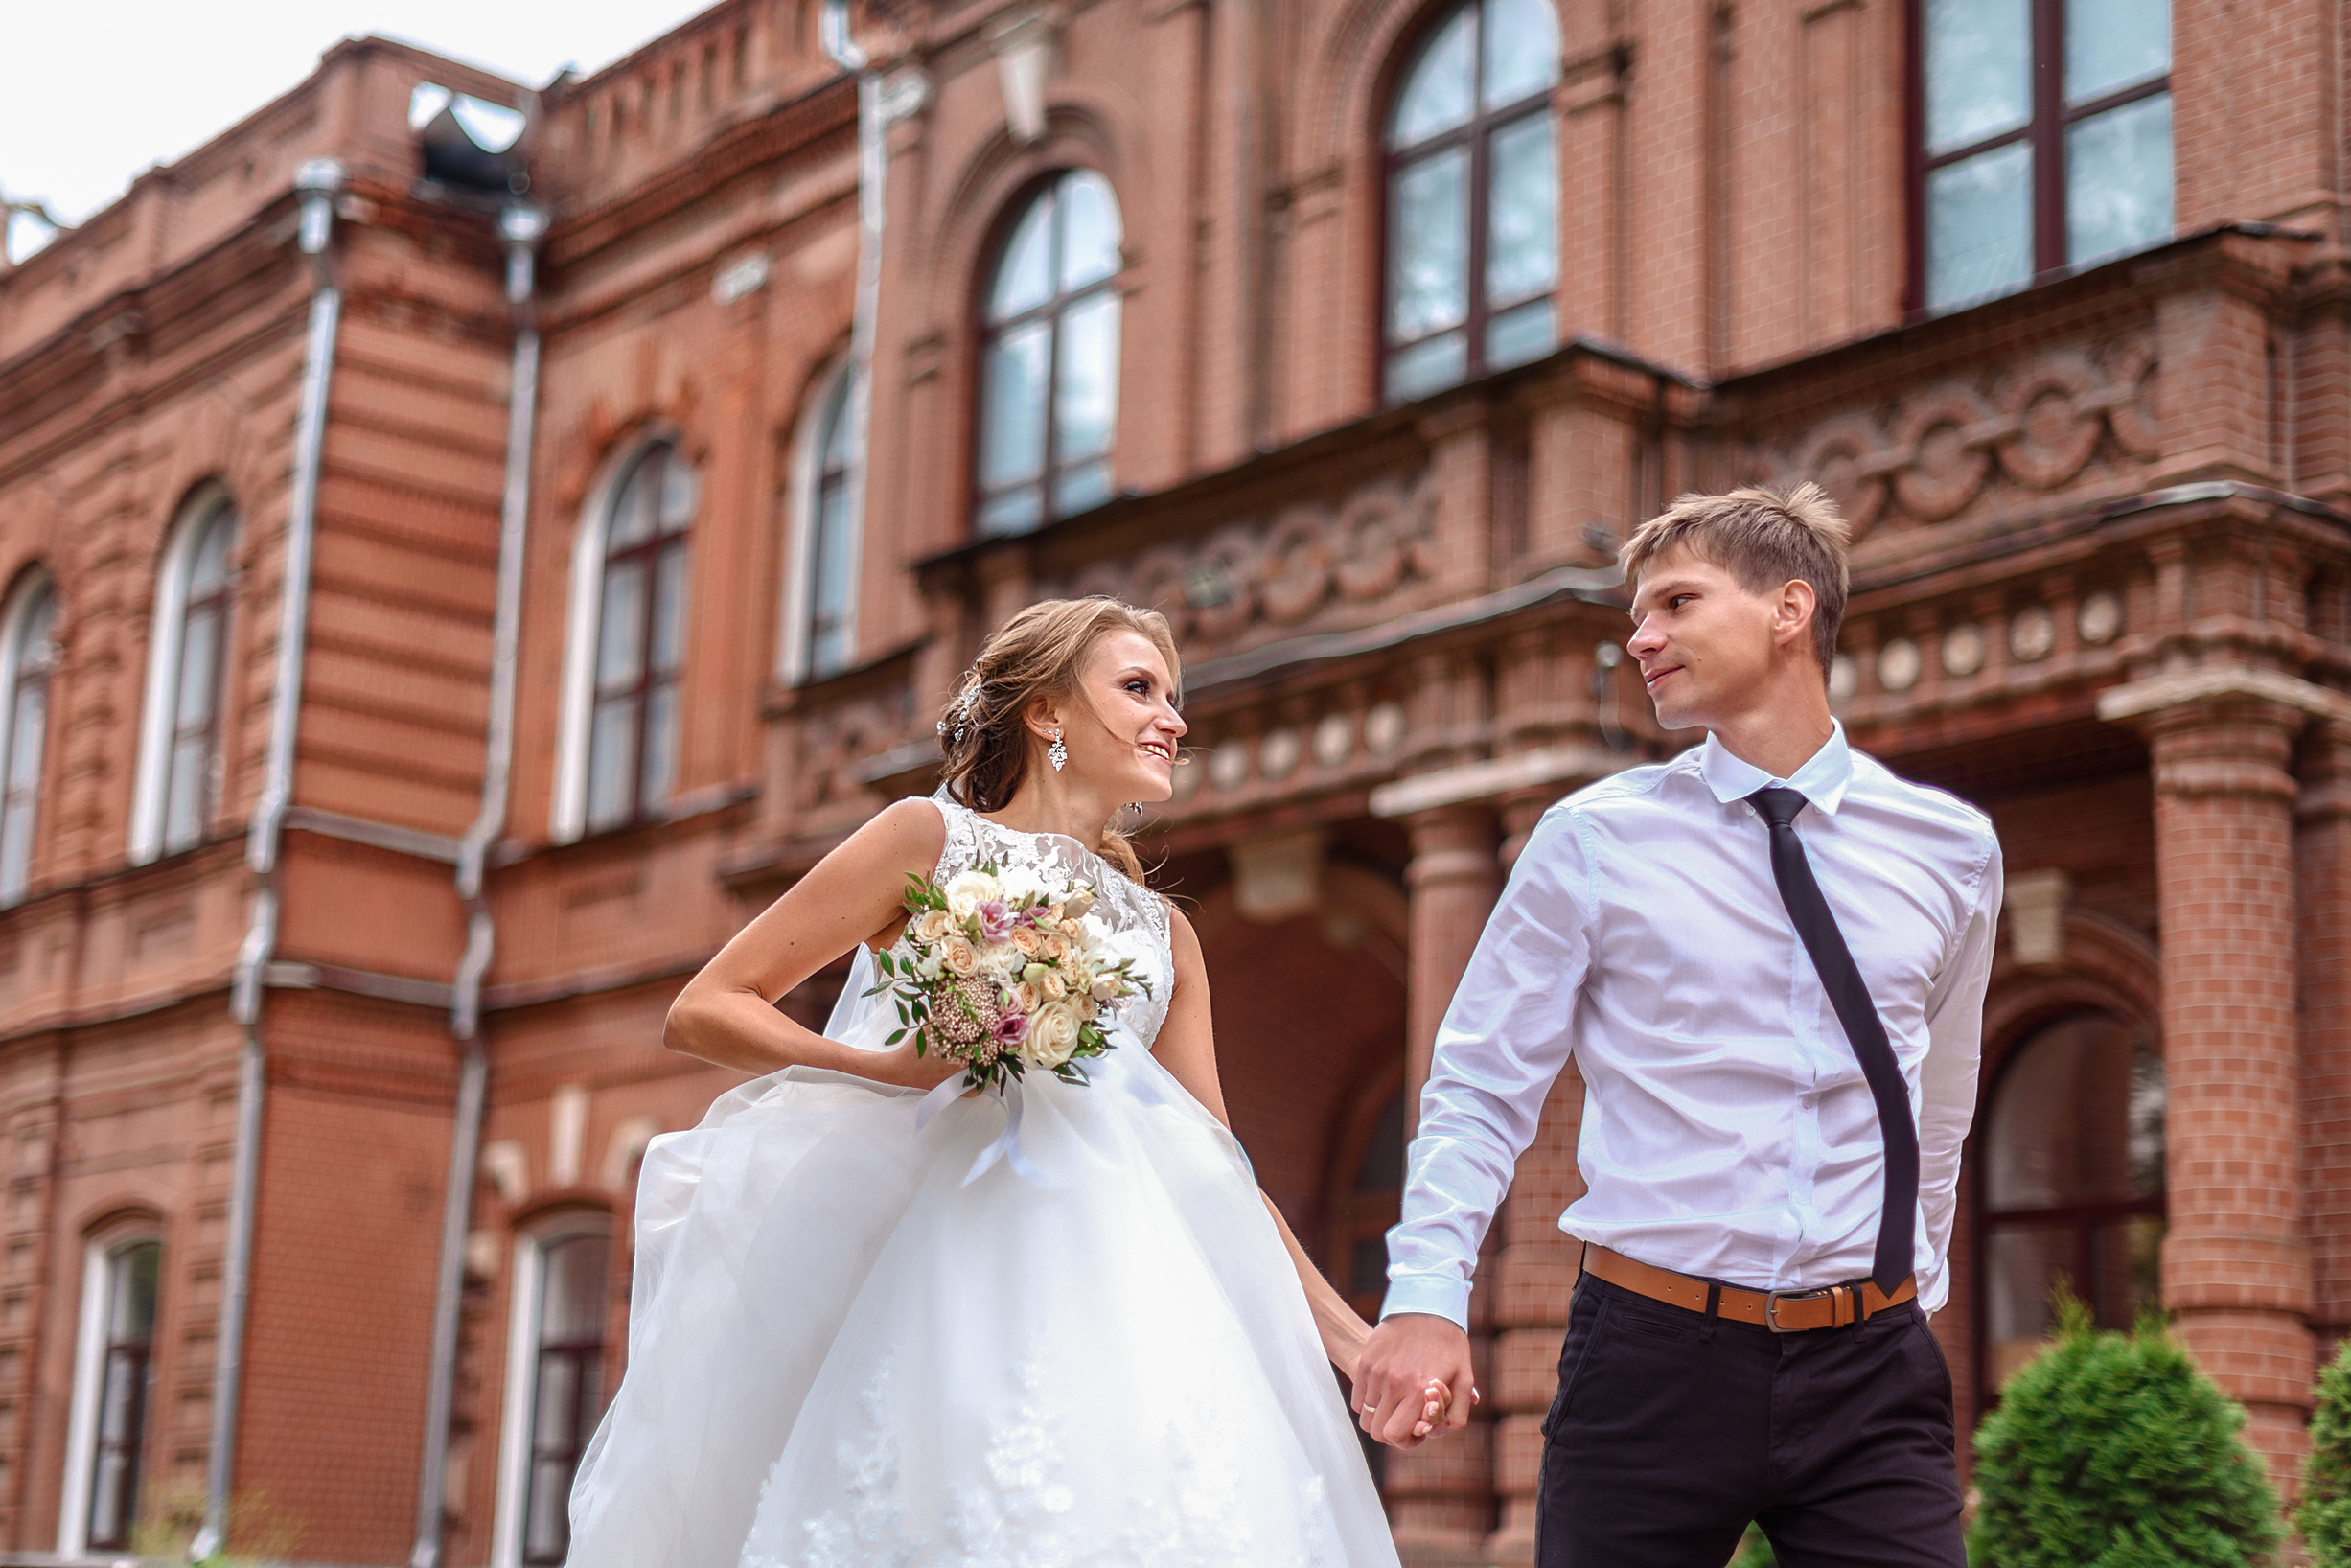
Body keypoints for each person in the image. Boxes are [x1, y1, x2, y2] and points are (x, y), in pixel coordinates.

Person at [566, 596, 1418, 1567]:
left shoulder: (1161, 932)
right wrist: (883, 1067)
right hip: (942, 1289)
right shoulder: (926, 839)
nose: (1173, 717)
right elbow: (708, 1004)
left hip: (1134, 1309)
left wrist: (1355, 1342)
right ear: (1048, 713)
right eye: (1138, 688)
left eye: (1173, 695)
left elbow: (1222, 1171)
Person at [1350, 485, 2002, 1567]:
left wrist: (1912, 1279)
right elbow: (1479, 1084)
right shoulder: (1592, 839)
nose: (1639, 637)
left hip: (1870, 1369)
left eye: (1675, 603)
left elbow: (1942, 1093)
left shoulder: (1950, 846)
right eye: (1635, 613)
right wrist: (1425, 1294)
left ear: (1789, 608)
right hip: (1651, 1357)